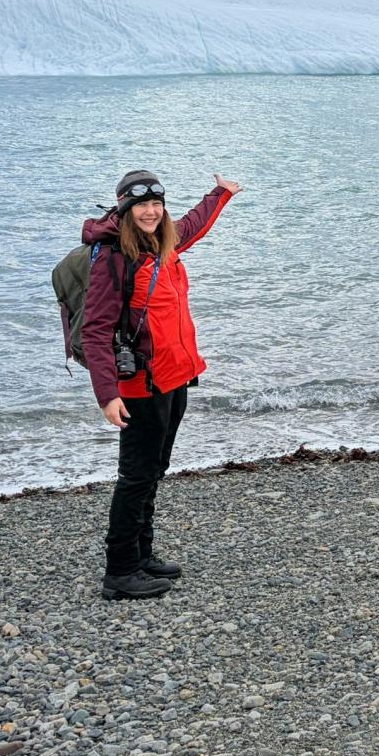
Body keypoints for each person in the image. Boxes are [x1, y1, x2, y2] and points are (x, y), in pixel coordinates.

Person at [82, 169, 242, 600]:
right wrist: (107, 394)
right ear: (124, 208)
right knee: (135, 476)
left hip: (174, 378)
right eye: (141, 206)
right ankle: (120, 570)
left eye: (156, 203)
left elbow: (193, 224)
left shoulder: (165, 241)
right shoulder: (114, 258)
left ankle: (143, 554)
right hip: (139, 386)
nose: (150, 212)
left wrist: (221, 193)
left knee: (155, 468)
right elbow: (95, 332)